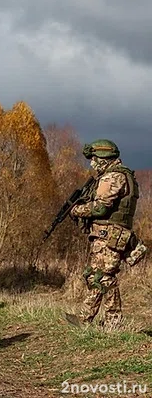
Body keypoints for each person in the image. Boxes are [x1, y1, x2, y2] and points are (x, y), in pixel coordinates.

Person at [68, 139, 146, 330]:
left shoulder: (113, 177)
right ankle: (110, 321)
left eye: (94, 159)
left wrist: (76, 210)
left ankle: (88, 319)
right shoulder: (122, 175)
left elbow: (100, 208)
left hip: (109, 236)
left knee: (100, 277)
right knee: (102, 277)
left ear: (104, 158)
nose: (92, 163)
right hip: (109, 235)